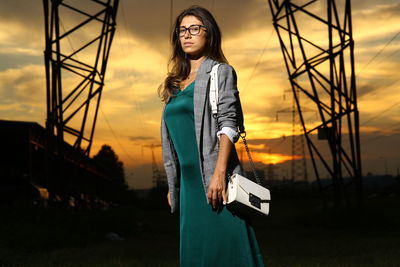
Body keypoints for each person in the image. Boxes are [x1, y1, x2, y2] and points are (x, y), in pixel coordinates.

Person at [159, 5, 265, 267]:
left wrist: (219, 174)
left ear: (209, 34)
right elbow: (172, 139)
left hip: (213, 177)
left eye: (195, 28)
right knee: (197, 252)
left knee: (228, 249)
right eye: (182, 30)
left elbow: (229, 124)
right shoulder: (174, 83)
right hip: (188, 184)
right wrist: (174, 185)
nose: (187, 34)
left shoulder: (221, 72)